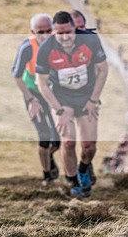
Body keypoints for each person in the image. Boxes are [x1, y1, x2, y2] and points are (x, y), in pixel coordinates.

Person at [36, 11, 108, 198]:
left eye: (68, 31)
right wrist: (58, 109)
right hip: (62, 98)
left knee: (89, 147)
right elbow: (41, 83)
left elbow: (103, 69)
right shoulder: (46, 49)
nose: (65, 37)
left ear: (74, 28)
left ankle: (83, 168)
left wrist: (93, 99)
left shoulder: (90, 40)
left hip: (86, 96)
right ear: (54, 32)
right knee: (68, 142)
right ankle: (74, 182)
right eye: (60, 33)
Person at [11, 13, 60, 185]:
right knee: (44, 135)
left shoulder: (58, 42)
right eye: (41, 32)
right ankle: (47, 176)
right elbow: (17, 76)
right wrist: (31, 100)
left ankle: (50, 156)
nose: (46, 35)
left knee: (58, 138)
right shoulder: (27, 47)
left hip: (52, 94)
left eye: (49, 30)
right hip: (34, 94)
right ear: (33, 31)